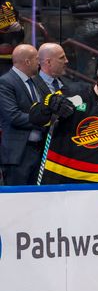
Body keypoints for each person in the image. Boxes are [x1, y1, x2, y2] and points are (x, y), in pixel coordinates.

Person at [29, 55, 98, 184]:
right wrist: (49, 105)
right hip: (57, 173)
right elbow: (35, 117)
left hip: (95, 178)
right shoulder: (74, 92)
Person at [0, 44, 45, 185]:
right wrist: (44, 120)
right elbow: (13, 116)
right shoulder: (5, 82)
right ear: (27, 62)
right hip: (17, 155)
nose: (39, 62)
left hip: (38, 151)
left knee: (37, 201)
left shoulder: (36, 81)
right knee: (16, 203)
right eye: (37, 59)